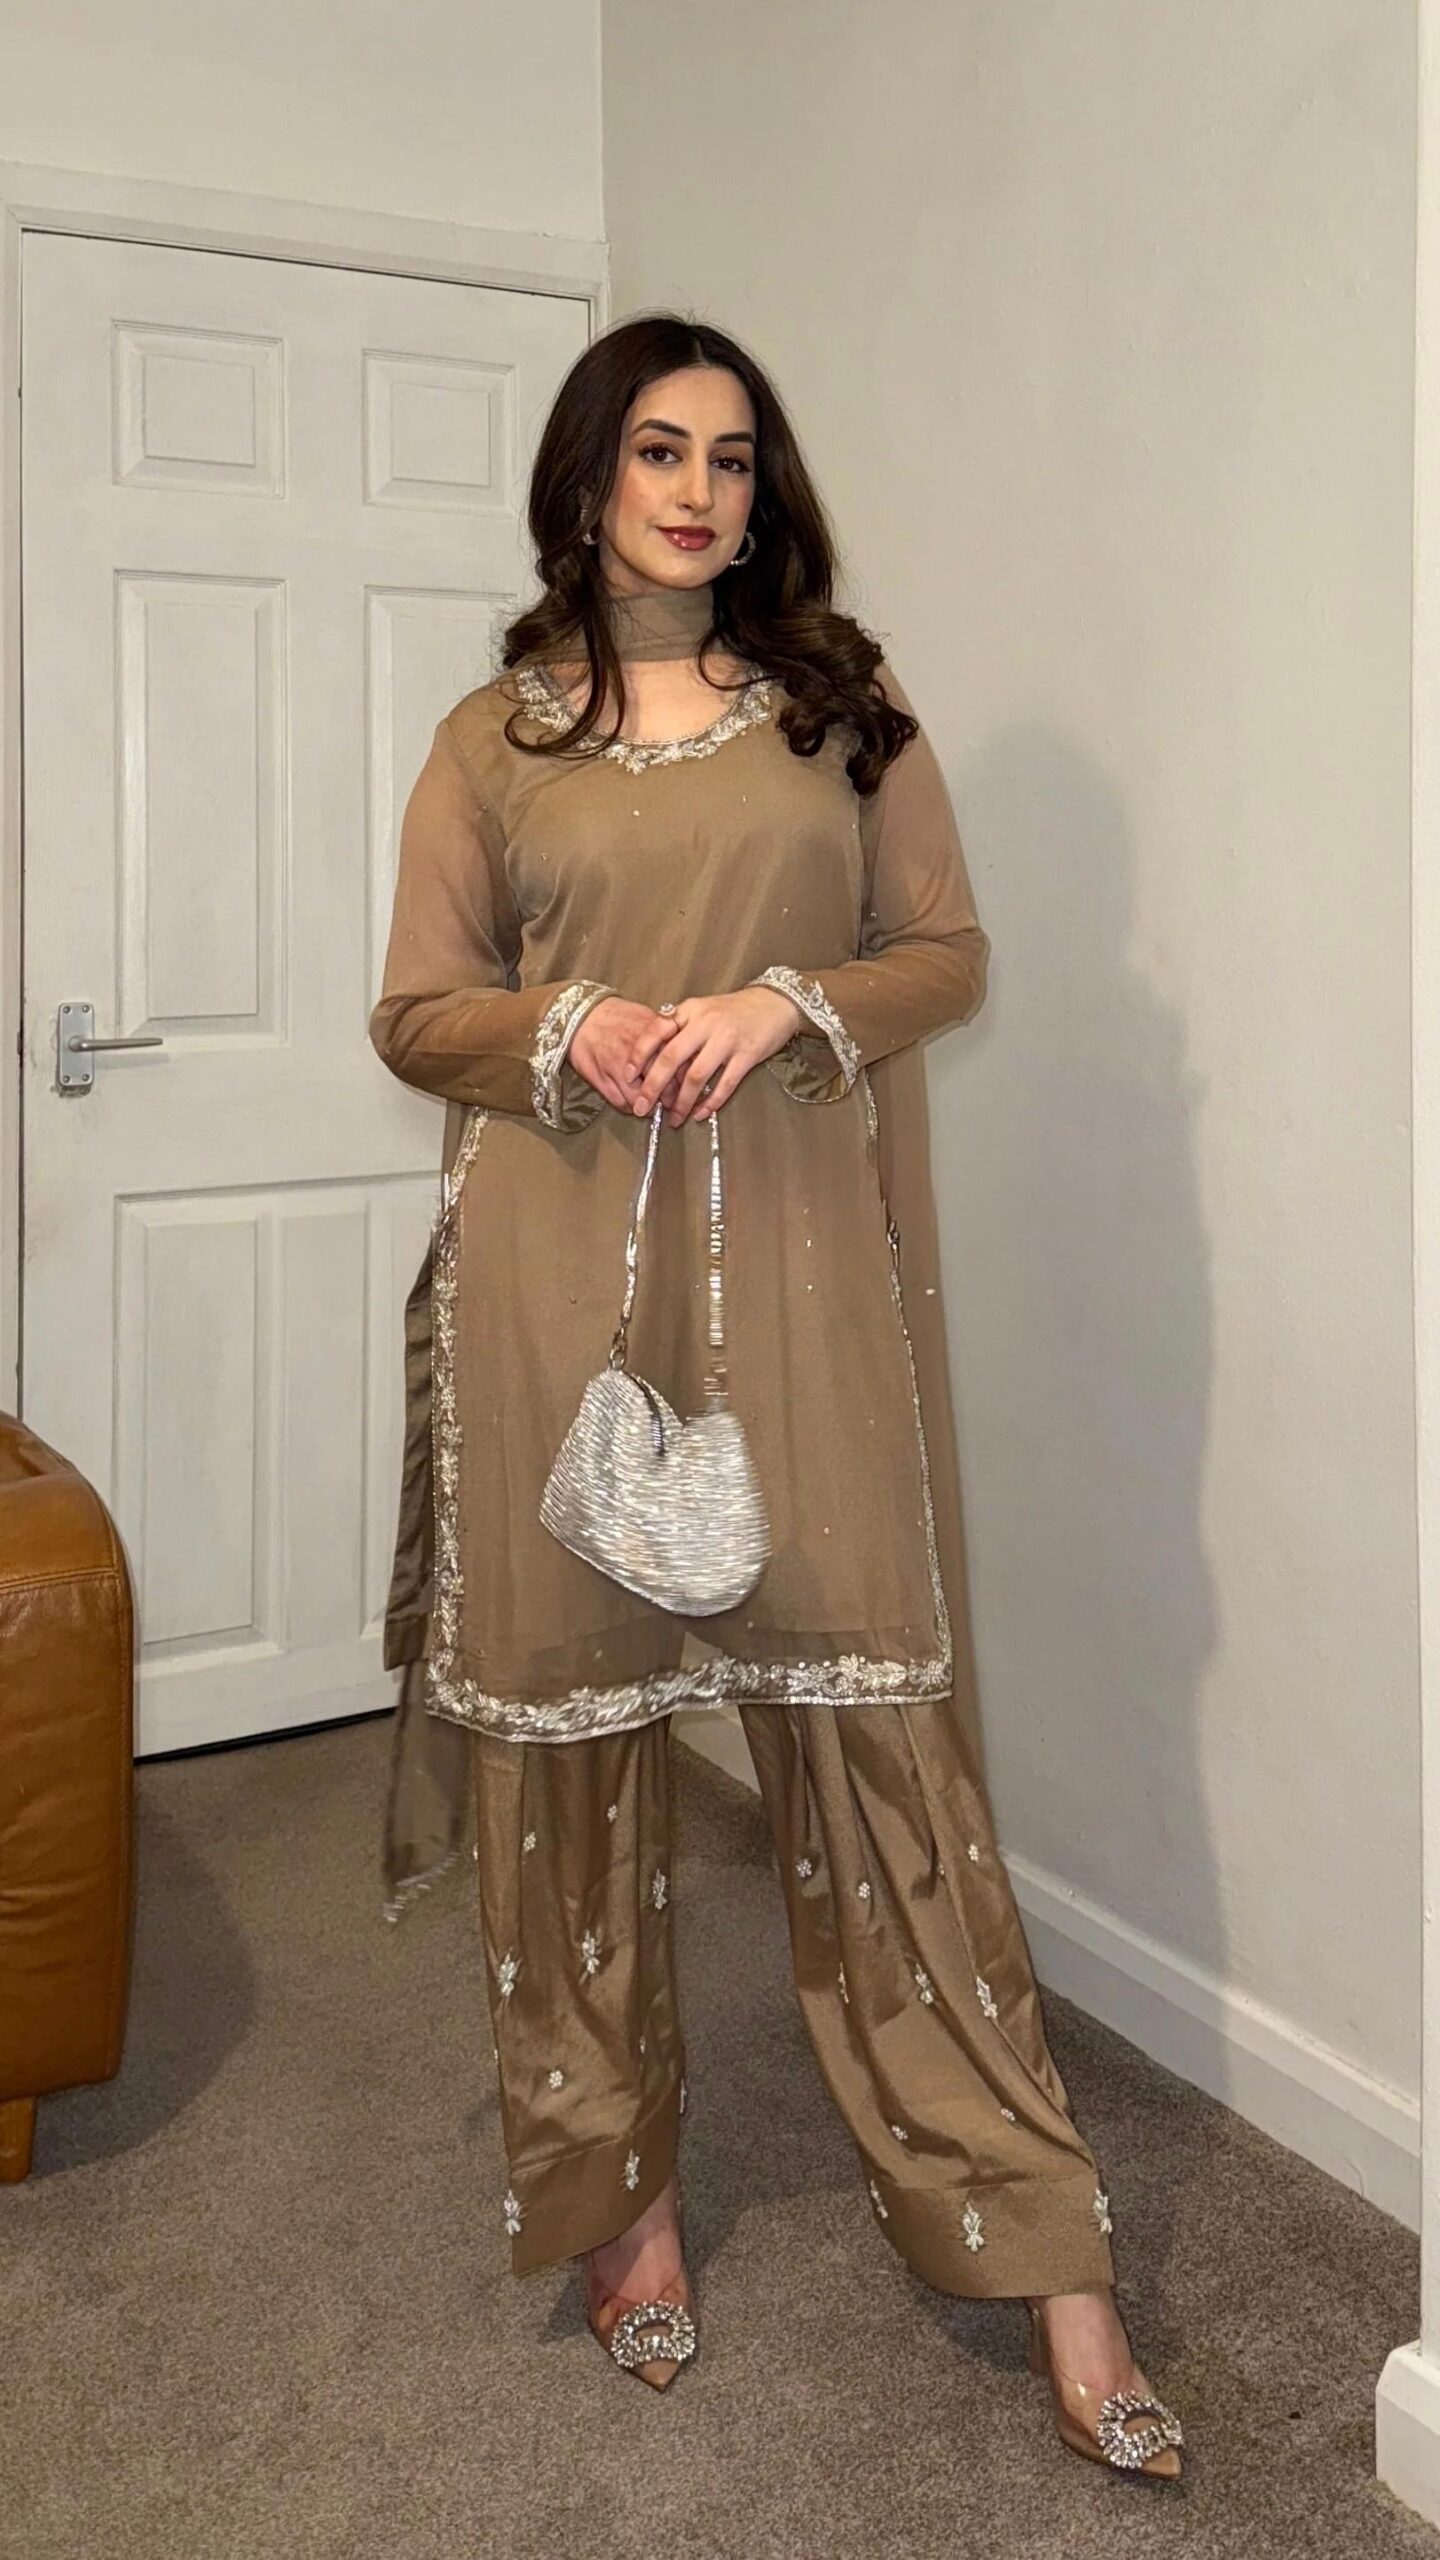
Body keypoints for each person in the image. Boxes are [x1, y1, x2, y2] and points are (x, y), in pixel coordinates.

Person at [368, 313, 1184, 2477]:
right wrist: (564, 1025)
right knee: (572, 1762)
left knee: (883, 1740)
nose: (698, 490)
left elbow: (948, 953)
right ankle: (618, 2201)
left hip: (806, 1286)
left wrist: (784, 1004)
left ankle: (1045, 2246)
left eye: (732, 457)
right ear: (586, 478)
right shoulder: (492, 743)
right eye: (659, 449)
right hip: (559, 1283)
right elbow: (417, 1009)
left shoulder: (842, 708)